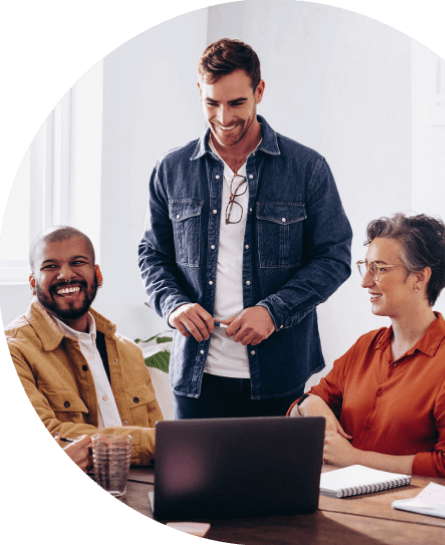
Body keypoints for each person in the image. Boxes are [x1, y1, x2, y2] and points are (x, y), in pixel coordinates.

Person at [138, 38, 352, 419]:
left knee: (274, 481)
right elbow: (153, 255)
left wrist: (274, 311)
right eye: (212, 103)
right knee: (194, 482)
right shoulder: (170, 170)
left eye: (237, 103)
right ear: (199, 92)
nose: (223, 118)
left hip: (279, 375)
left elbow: (334, 256)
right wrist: (175, 306)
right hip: (196, 378)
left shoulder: (307, 167)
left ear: (259, 91)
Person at [290, 213, 445, 483]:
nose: (365, 281)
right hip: (345, 503)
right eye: (366, 267)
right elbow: (308, 401)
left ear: (419, 278)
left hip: (407, 517)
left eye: (380, 269)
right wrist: (313, 406)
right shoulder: (365, 347)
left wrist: (355, 458)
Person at [6, 226, 163, 466]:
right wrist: (157, 442)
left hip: (141, 489)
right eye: (50, 266)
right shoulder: (15, 349)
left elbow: (160, 445)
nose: (65, 275)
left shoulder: (129, 352)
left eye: (78, 262)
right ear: (32, 282)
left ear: (97, 275)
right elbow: (51, 432)